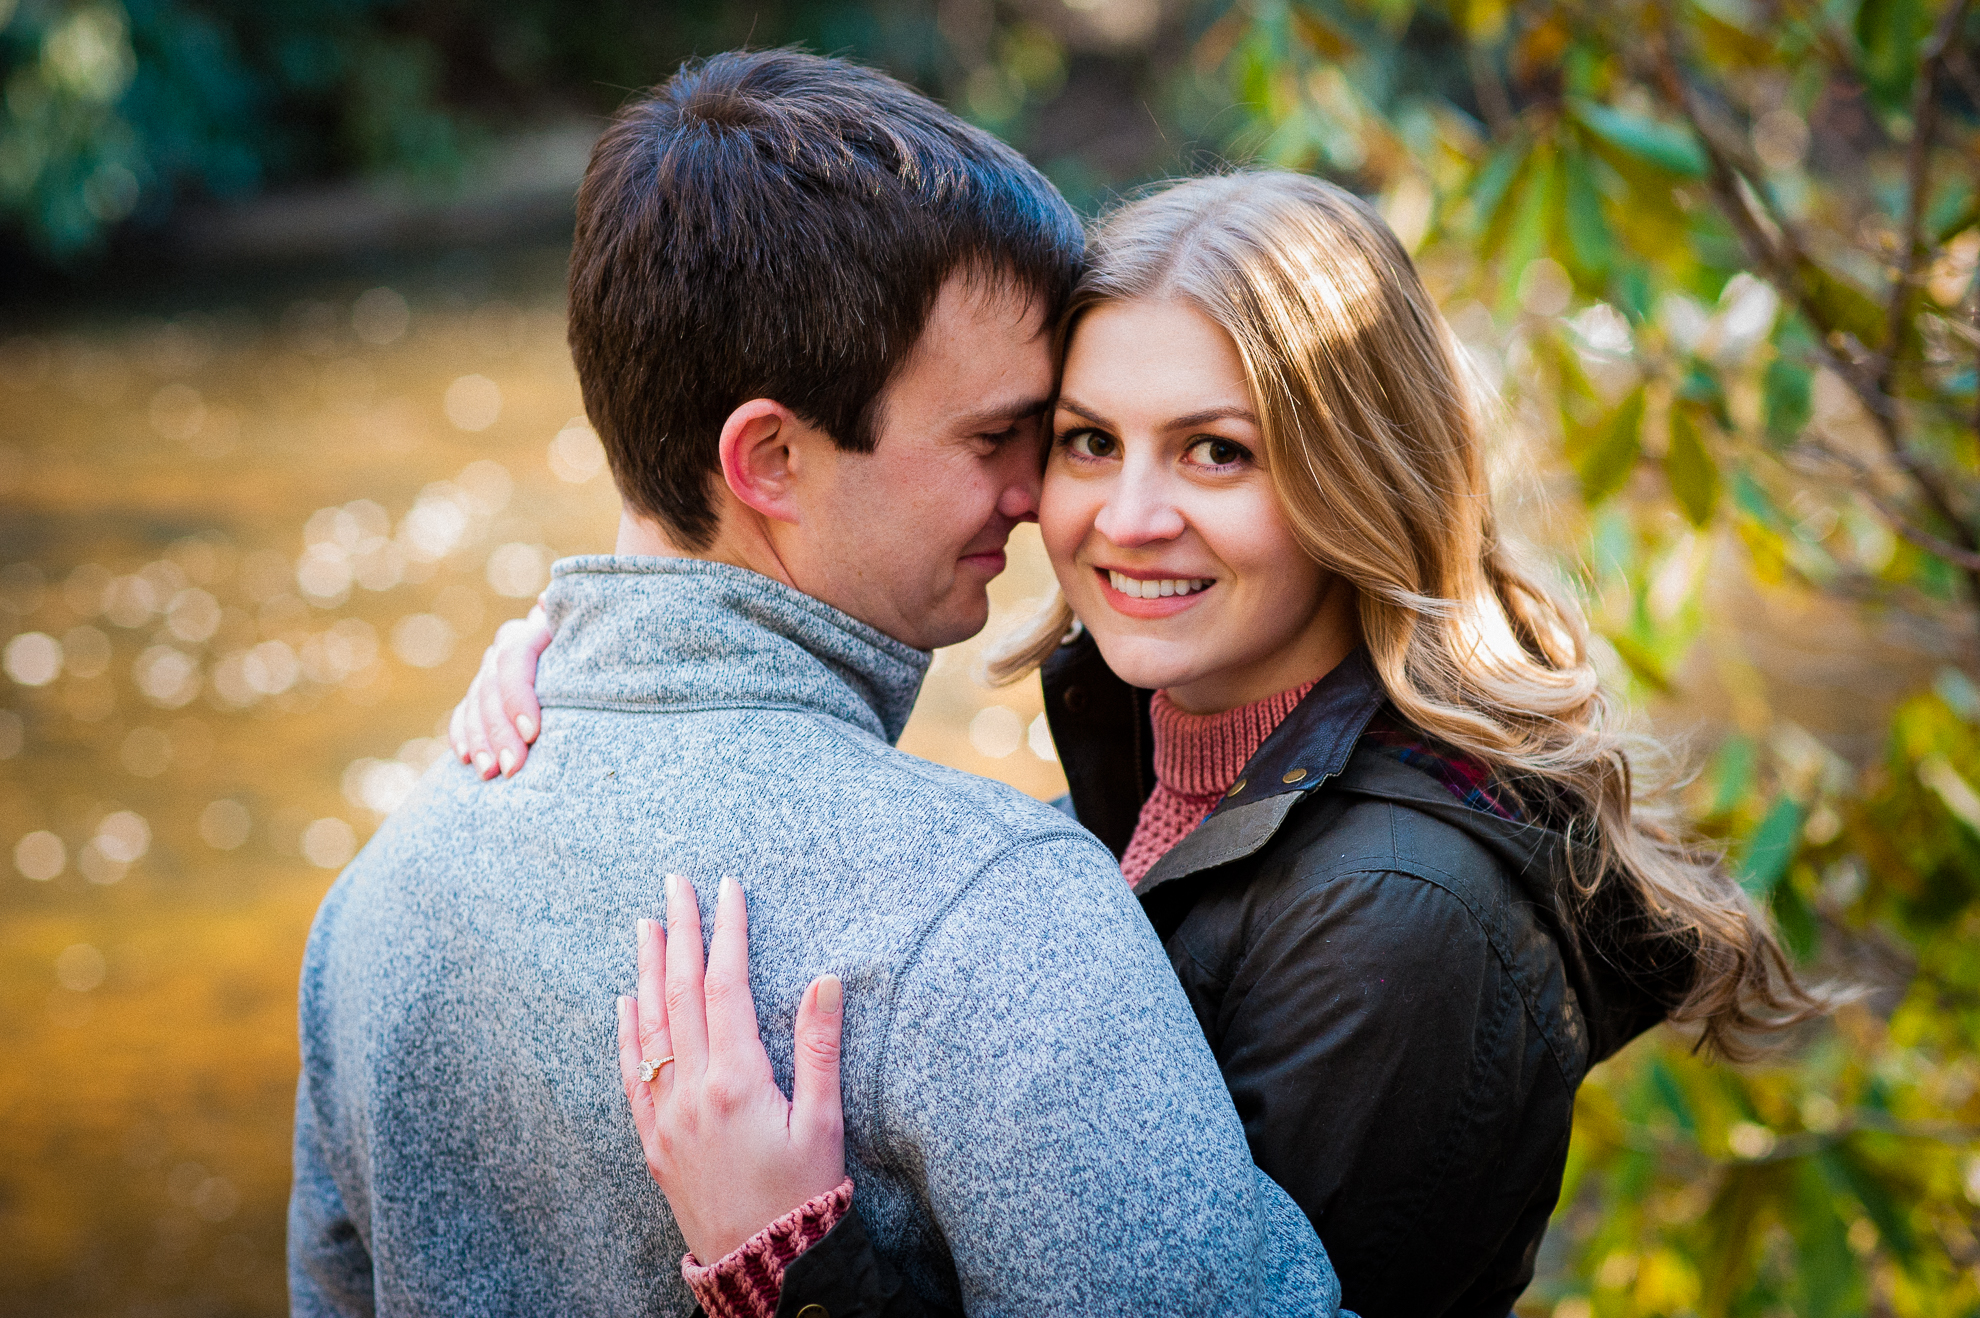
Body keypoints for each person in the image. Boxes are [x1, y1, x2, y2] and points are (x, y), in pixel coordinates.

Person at [458, 171, 1827, 1315]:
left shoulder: (1398, 923)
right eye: (1087, 440)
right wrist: (603, 666)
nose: (1129, 514)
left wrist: (793, 1258)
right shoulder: (1158, 752)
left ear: (1358, 475)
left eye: (1218, 452)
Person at [290, 51, 1348, 1317]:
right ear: (772, 459)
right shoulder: (997, 918)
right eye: (992, 436)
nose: (1043, 494)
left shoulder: (375, 902)